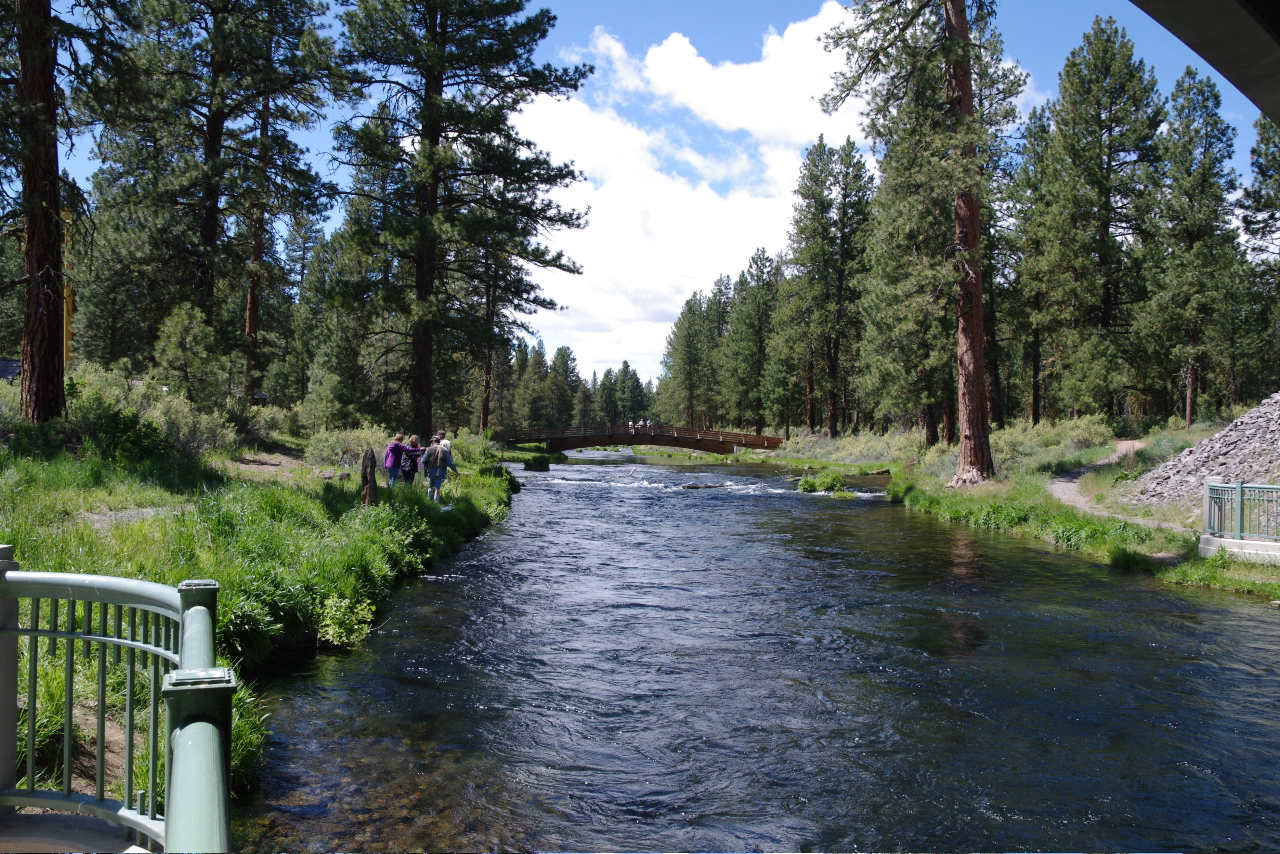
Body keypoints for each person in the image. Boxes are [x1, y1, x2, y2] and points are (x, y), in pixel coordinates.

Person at [425, 434, 459, 503]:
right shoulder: (444, 450)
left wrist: (427, 467)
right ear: (439, 441)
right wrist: (455, 471)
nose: (431, 442)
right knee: (437, 488)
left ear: (434, 441)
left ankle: (428, 500)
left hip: (430, 470)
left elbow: (423, 460)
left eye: (432, 441)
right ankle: (436, 505)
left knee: (431, 485)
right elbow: (450, 462)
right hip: (440, 470)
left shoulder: (429, 449)